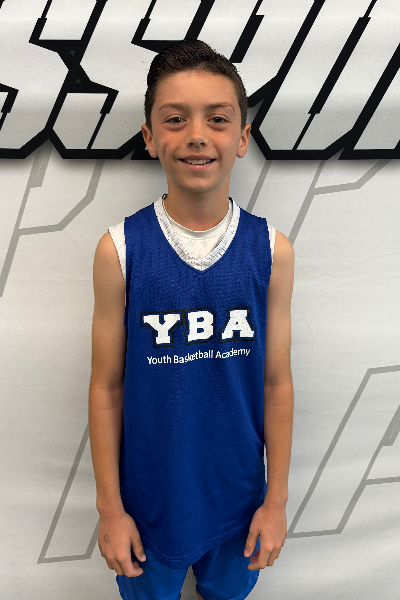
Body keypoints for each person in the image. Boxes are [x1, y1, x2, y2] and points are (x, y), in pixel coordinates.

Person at [89, 39, 294, 600]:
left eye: (218, 119)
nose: (197, 135)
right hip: (148, 504)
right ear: (150, 137)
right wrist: (110, 508)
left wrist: (276, 500)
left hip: (239, 502)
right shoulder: (119, 250)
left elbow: (276, 385)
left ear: (243, 137)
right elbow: (106, 388)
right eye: (175, 119)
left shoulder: (271, 250)